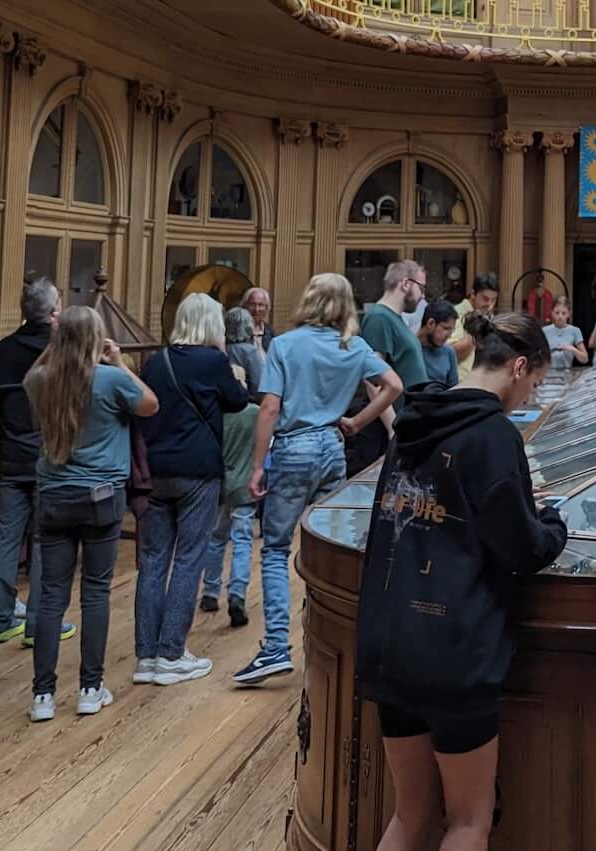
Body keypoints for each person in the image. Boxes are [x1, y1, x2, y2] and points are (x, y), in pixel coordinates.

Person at [346, 311, 567, 851]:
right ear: (518, 367)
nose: (529, 397)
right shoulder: (493, 435)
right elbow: (522, 547)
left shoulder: (414, 418)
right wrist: (553, 525)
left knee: (410, 814)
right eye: (534, 383)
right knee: (468, 819)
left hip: (390, 638)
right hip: (453, 648)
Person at [235, 273, 401, 686]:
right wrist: (356, 422)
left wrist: (257, 465)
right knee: (332, 547)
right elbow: (393, 385)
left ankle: (276, 647)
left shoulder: (285, 344)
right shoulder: (353, 346)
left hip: (294, 447)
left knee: (275, 548)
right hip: (332, 446)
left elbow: (269, 408)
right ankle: (335, 638)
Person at [24, 308, 157, 721]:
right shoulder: (111, 379)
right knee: (96, 593)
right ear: (97, 339)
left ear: (60, 340)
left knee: (51, 596)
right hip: (101, 495)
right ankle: (89, 688)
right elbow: (150, 404)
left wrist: (54, 346)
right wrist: (119, 362)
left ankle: (42, 696)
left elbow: (29, 378)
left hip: (53, 494)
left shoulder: (42, 380)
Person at [133, 294, 253, 686]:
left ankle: (146, 656)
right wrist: (228, 363)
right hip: (198, 471)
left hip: (156, 470)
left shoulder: (156, 362)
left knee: (153, 560)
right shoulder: (213, 361)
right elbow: (238, 401)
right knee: (188, 558)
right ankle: (171, 654)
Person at [0, 278, 73, 649]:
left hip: (12, 456)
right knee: (47, 539)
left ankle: (0, 621)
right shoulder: (62, 350)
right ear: (55, 311)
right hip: (52, 456)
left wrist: (5, 443)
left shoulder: (1, 351)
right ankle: (39, 626)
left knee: (5, 538)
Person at [201, 307, 264, 625]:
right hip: (246, 485)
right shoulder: (254, 413)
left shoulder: (216, 415)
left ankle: (210, 592)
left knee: (216, 538)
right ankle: (237, 593)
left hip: (220, 484)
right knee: (242, 541)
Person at [352, 260, 428, 475]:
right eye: (421, 287)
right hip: (387, 432)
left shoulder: (393, 318)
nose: (423, 296)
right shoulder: (379, 318)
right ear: (406, 283)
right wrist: (393, 428)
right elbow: (373, 381)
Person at [450, 274, 500, 380]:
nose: (490, 305)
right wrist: (476, 331)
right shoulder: (455, 314)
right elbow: (451, 353)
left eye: (493, 300)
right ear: (473, 294)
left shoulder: (490, 317)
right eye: (485, 299)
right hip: (460, 382)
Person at [417, 299, 460, 392]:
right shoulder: (410, 348)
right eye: (446, 328)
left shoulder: (449, 352)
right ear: (430, 323)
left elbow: (454, 390)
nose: (449, 335)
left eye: (451, 330)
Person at [541, 299, 588, 371]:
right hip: (548, 373)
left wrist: (573, 349)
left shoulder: (575, 331)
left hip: (566, 373)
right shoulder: (544, 331)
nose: (560, 316)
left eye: (563, 313)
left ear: (569, 314)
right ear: (552, 313)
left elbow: (585, 359)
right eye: (557, 313)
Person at [243, 287, 274, 352]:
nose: (256, 309)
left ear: (267, 308)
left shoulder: (270, 332)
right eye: (252, 304)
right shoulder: (237, 332)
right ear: (245, 306)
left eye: (260, 305)